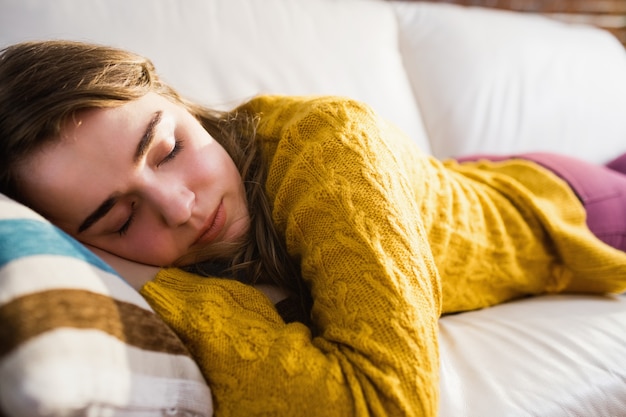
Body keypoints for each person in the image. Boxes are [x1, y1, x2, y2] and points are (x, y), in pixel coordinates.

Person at [2, 40, 626, 416]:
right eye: (120, 217)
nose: (181, 207)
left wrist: (159, 283)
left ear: (178, 99)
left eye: (167, 149)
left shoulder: (329, 145)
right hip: (420, 188)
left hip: (559, 205)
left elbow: (380, 405)